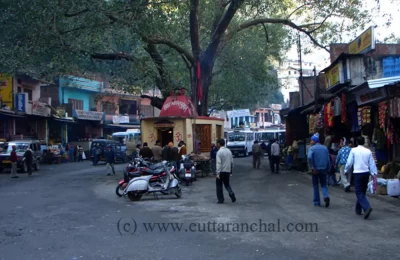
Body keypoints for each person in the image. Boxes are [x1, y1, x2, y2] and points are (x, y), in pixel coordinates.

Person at [344, 136, 377, 219]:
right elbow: (372, 163)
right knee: (362, 191)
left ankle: (366, 207)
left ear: (357, 143)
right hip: (366, 173)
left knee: (358, 192)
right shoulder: (368, 151)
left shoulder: (353, 150)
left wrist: (346, 170)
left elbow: (349, 162)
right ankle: (358, 209)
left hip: (358, 173)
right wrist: (374, 173)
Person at [307, 133, 331, 207]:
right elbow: (328, 159)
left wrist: (312, 167)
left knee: (315, 185)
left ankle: (317, 202)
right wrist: (328, 168)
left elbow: (310, 157)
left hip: (315, 169)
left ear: (314, 141)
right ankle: (325, 196)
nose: (310, 142)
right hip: (324, 169)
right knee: (324, 184)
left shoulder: (312, 148)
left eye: (311, 140)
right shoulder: (325, 148)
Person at [215, 139, 236, 204]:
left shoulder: (219, 152)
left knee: (219, 186)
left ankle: (220, 199)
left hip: (221, 171)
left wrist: (217, 173)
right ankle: (231, 192)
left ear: (218, 144)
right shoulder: (229, 151)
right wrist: (231, 171)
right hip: (227, 171)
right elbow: (232, 162)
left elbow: (218, 163)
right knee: (227, 184)